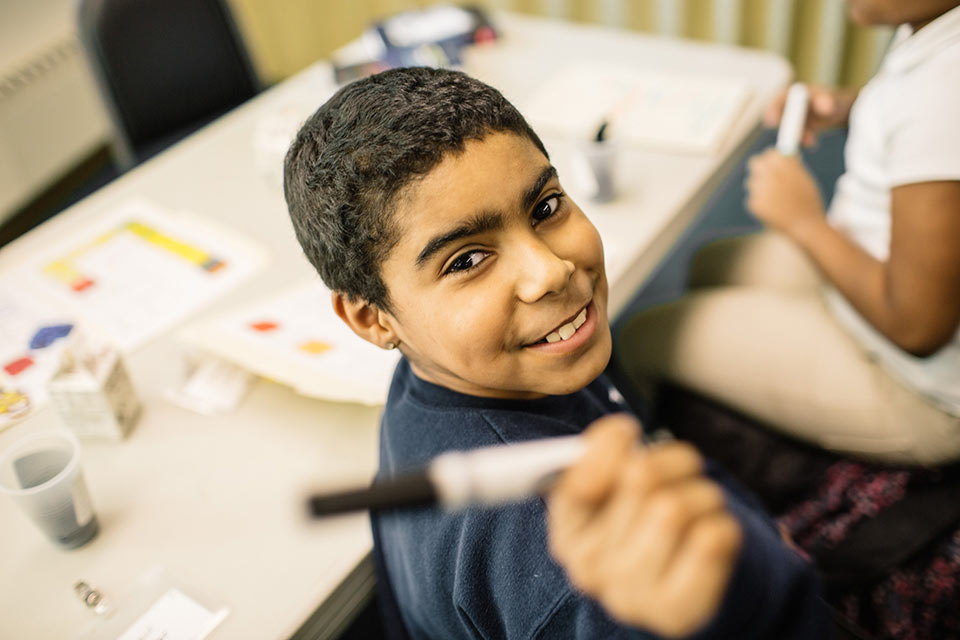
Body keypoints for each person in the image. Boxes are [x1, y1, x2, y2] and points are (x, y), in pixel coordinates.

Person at [284, 67, 825, 638]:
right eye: (466, 260)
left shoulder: (463, 364)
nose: (551, 271)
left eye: (545, 207)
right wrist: (758, 583)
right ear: (374, 318)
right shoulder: (569, 577)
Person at [617, 0, 960, 466]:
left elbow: (918, 328)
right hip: (874, 280)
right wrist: (852, 106)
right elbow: (920, 118)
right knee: (712, 263)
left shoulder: (945, 93)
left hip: (922, 392)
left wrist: (804, 222)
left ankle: (674, 488)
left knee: (641, 337)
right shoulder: (936, 35)